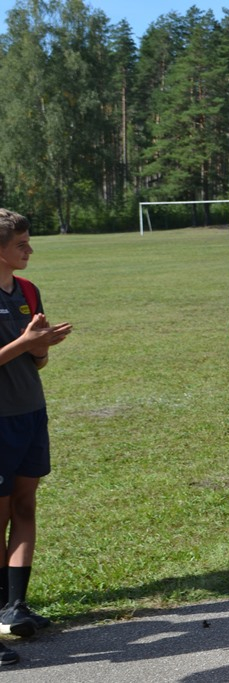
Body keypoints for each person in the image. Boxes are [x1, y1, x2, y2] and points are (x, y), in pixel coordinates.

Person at [0, 210, 72, 666]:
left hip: (30, 413)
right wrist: (24, 344)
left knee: (25, 507)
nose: (30, 251)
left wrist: (41, 347)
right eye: (22, 244)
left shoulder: (27, 290)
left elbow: (35, 362)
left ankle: (14, 606)